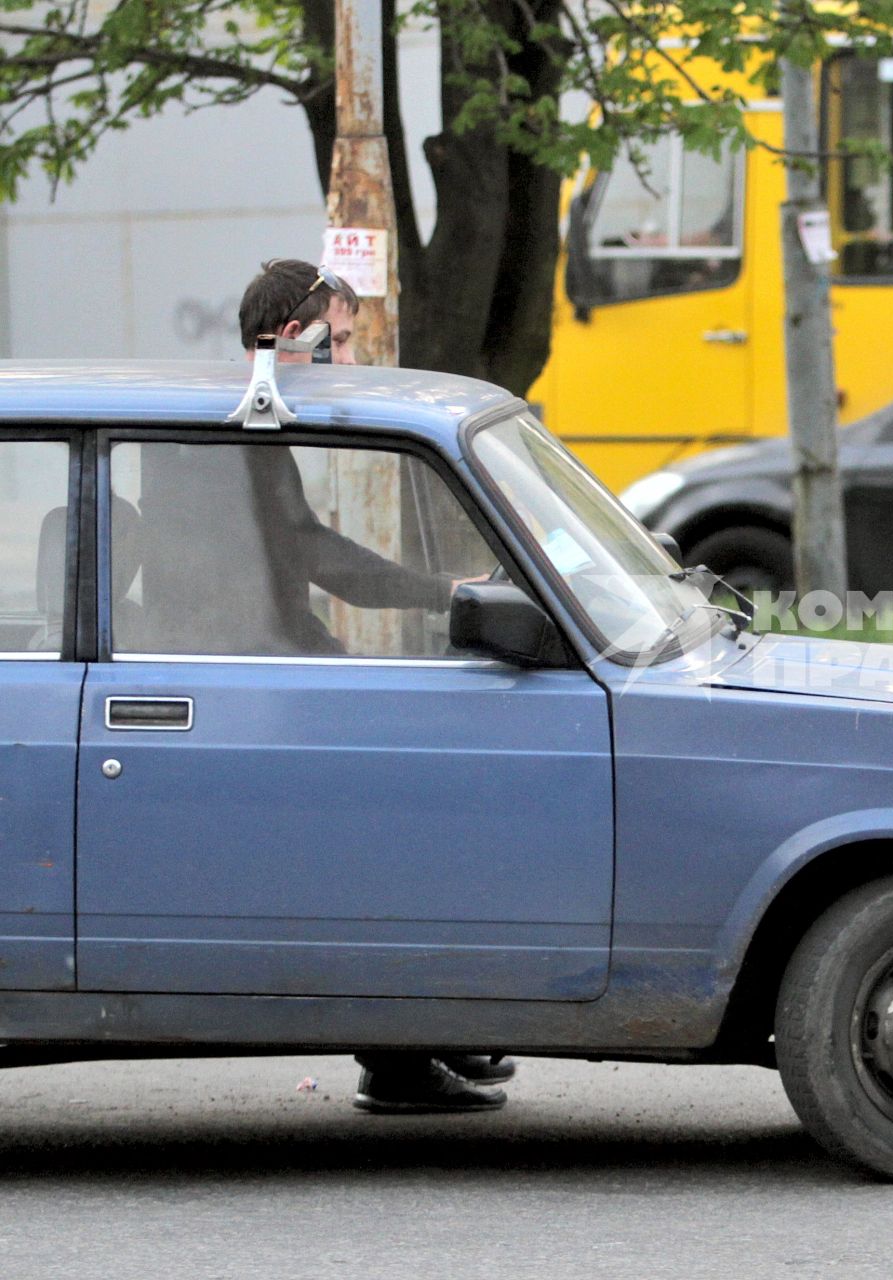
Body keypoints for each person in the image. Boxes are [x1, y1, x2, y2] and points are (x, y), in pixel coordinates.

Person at [234, 259, 521, 1116]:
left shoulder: (248, 415)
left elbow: (295, 561)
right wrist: (445, 593)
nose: (353, 360)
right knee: (389, 831)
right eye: (344, 341)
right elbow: (314, 557)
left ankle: (417, 1032)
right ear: (294, 339)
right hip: (254, 683)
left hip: (267, 665)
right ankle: (400, 1055)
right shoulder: (240, 421)